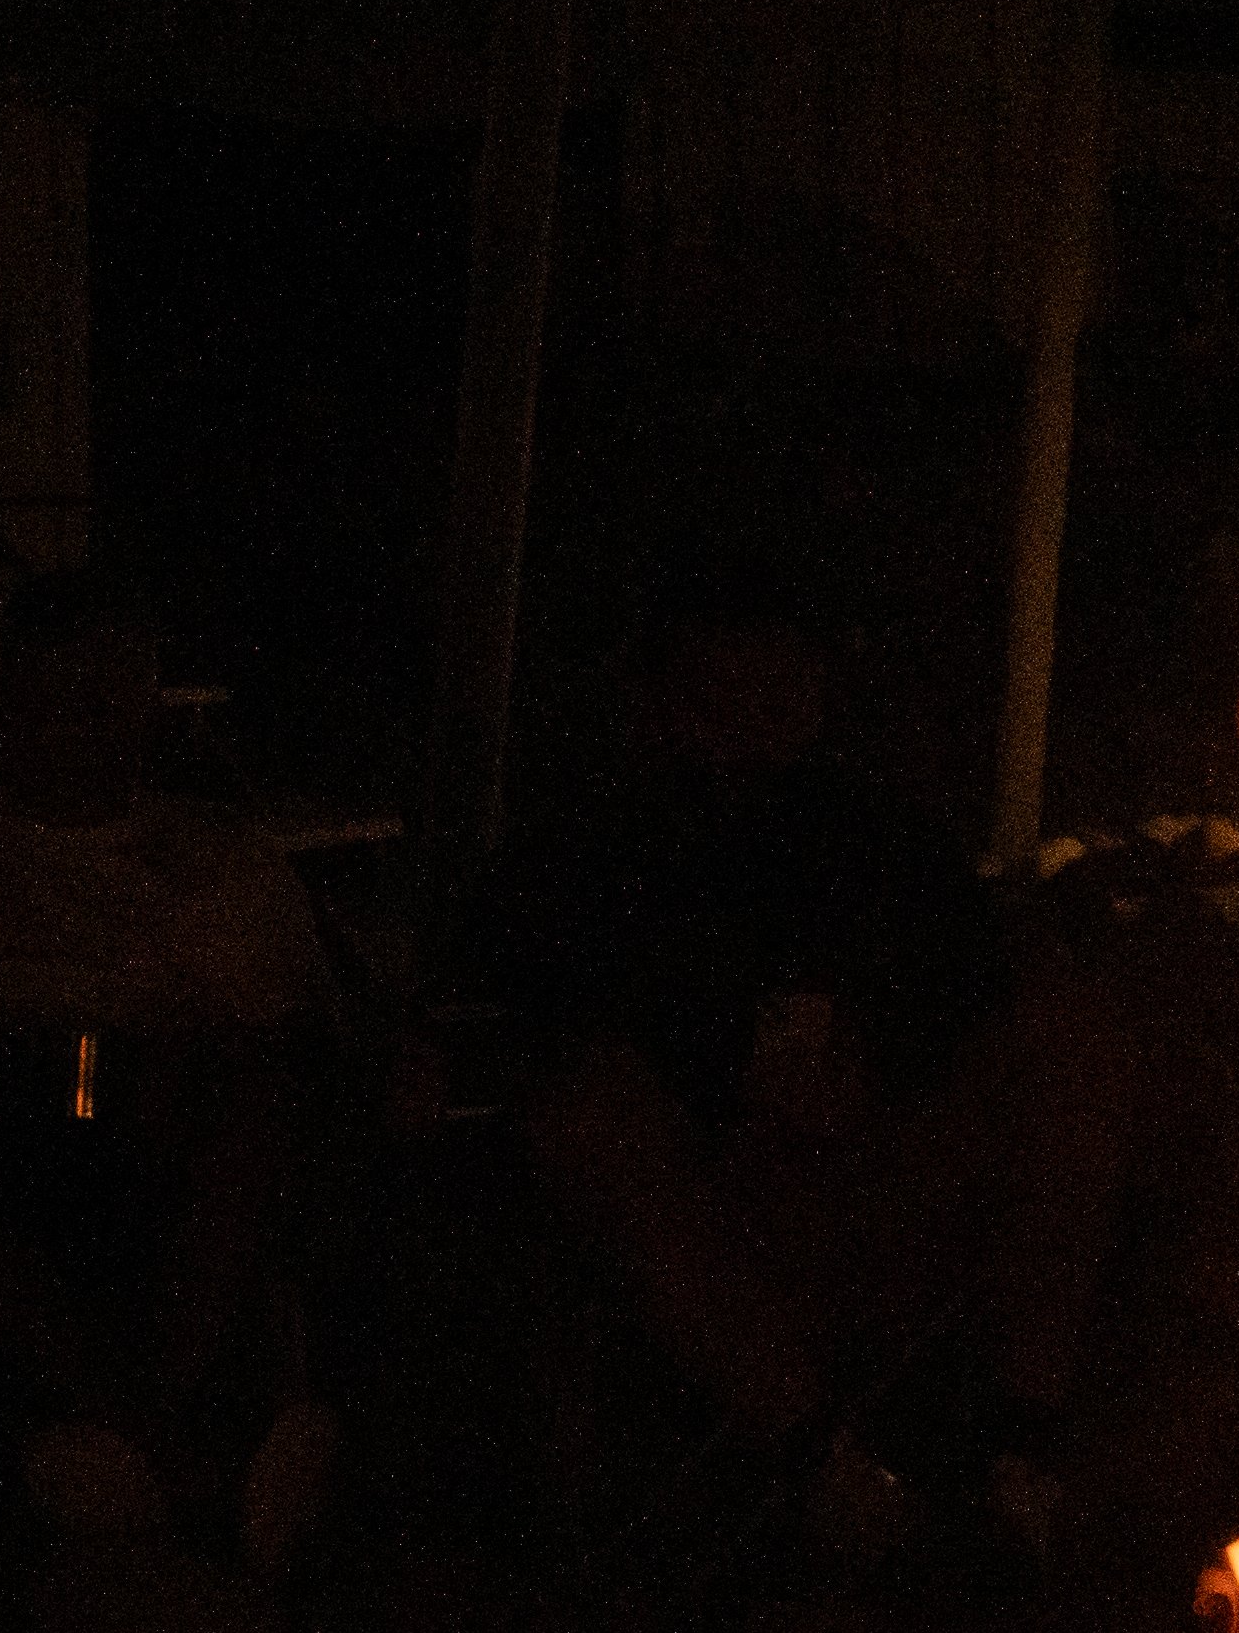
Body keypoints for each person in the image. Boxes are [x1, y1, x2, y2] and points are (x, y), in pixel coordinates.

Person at [478, 560, 1125, 1564]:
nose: (756, 723)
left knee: (1060, 1020)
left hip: (877, 1183)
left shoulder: (871, 836)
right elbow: (544, 1028)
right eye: (723, 696)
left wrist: (881, 1061)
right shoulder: (597, 850)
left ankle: (1018, 1452)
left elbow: (975, 993)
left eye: (780, 691)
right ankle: (820, 1467)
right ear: (666, 704)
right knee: (589, 1114)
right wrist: (722, 1076)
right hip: (702, 1211)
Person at [0, 571, 341, 1560]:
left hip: (166, 1130)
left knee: (251, 1122)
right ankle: (150, 1444)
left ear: (143, 705)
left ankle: (137, 1430)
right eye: (52, 700)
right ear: (8, 703)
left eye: (103, 701)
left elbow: (295, 1048)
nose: (76, 732)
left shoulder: (219, 866)